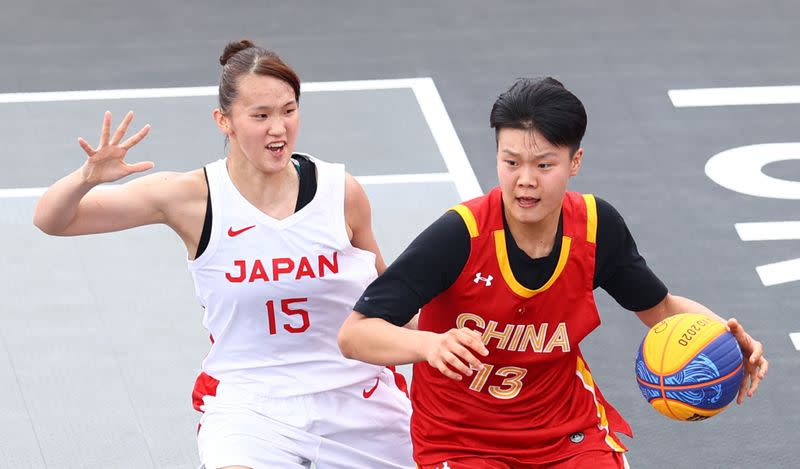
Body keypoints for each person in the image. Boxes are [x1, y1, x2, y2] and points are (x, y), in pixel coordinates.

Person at [337, 77, 768, 469]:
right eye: (510, 163)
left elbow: (661, 309)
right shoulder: (460, 236)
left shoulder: (598, 229)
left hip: (566, 433)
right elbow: (354, 335)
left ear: (574, 161)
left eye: (544, 165)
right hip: (462, 440)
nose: (525, 180)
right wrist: (427, 344)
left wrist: (726, 339)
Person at [33, 39, 414, 469]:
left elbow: (390, 303)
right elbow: (53, 219)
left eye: (289, 111)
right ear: (224, 121)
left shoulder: (340, 193)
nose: (279, 128)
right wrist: (86, 177)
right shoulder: (191, 198)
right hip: (251, 406)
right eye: (261, 116)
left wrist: (464, 338)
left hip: (357, 398)